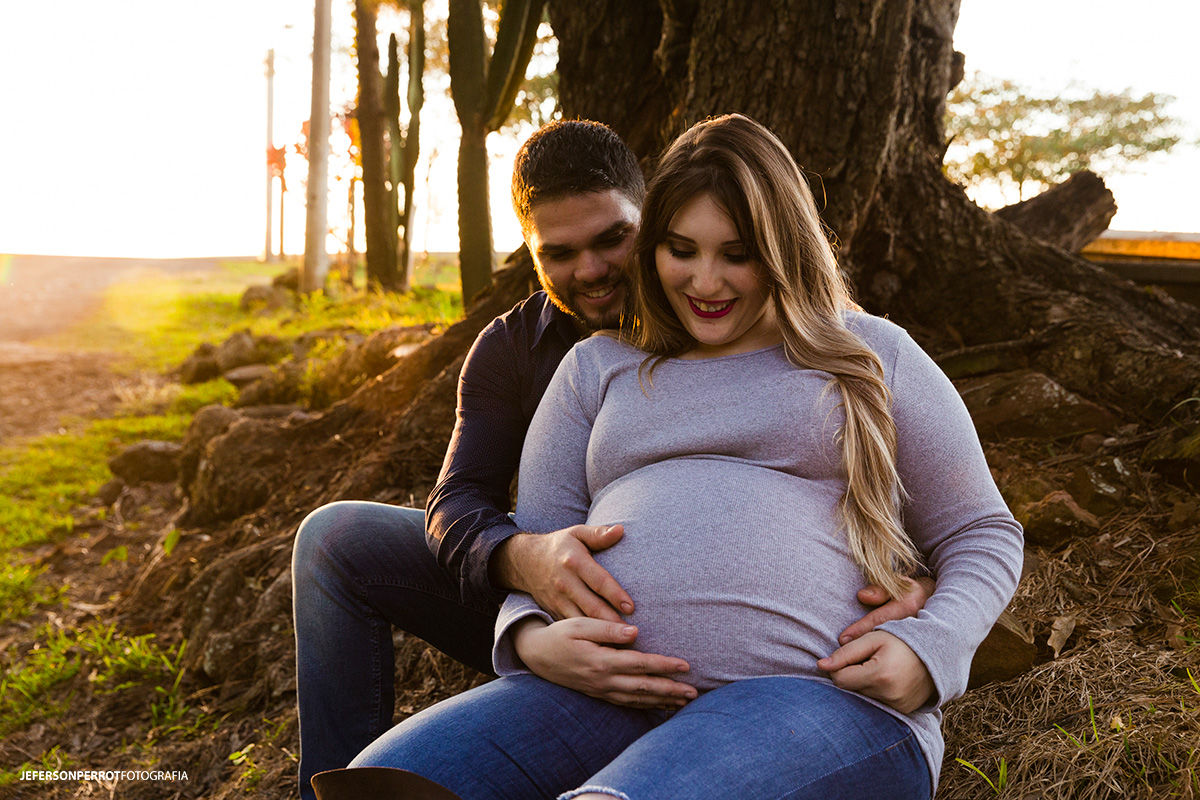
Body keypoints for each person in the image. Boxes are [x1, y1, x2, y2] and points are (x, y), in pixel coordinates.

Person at [345, 114, 1025, 800]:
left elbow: (982, 532)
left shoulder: (870, 354)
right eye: (682, 249)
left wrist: (931, 648)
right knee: (377, 788)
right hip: (602, 698)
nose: (706, 281)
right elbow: (549, 546)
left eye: (737, 253)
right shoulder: (594, 368)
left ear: (784, 247)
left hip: (815, 703)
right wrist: (526, 638)